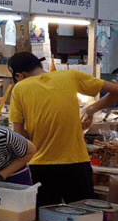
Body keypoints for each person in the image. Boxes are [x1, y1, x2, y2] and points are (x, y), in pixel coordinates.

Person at [8, 52, 118, 206]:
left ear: (19, 75)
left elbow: (19, 133)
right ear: (40, 66)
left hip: (41, 166)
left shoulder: (19, 88)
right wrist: (91, 109)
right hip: (77, 163)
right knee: (85, 220)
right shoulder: (70, 76)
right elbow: (116, 90)